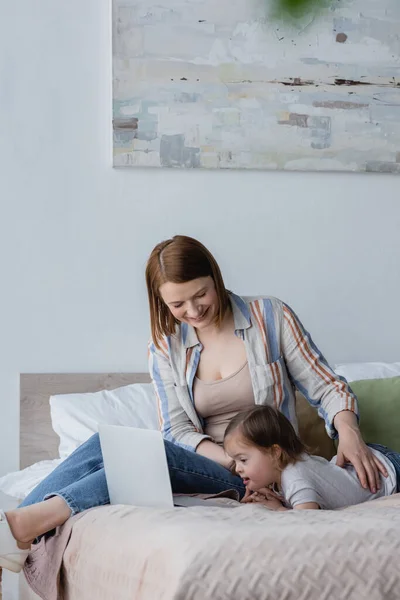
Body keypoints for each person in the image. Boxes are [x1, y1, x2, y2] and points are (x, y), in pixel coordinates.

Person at [0, 235, 387, 573]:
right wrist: (228, 457)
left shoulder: (270, 316)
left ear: (216, 278)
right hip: (216, 464)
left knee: (135, 459)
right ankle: (20, 525)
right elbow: (176, 430)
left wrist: (349, 433)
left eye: (201, 294)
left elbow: (328, 386)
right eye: (177, 305)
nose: (193, 311)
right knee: (108, 446)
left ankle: (18, 530)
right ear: (161, 303)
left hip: (266, 465)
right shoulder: (166, 348)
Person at [224, 405, 400, 510]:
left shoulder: (294, 478)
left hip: (388, 474)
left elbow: (308, 522)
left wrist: (278, 510)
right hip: (377, 460)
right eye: (236, 461)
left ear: (275, 453)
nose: (237, 468)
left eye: (243, 460)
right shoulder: (289, 467)